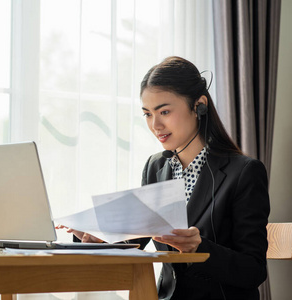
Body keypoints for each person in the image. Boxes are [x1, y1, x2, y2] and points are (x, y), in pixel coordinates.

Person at [59, 56, 270, 300]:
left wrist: (199, 248)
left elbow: (253, 271)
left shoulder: (244, 172)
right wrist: (100, 238)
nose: (155, 125)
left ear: (199, 106)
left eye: (165, 111)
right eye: (147, 114)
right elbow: (136, 239)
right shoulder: (156, 167)